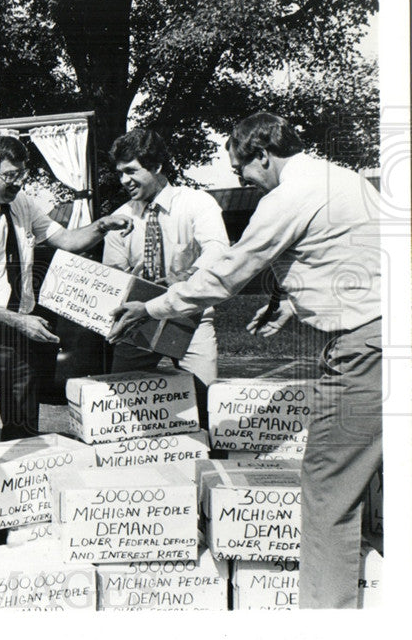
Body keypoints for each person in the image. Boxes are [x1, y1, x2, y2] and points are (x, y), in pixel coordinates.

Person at [108, 112, 382, 609]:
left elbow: (229, 271)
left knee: (327, 490)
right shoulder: (342, 177)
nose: (246, 182)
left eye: (244, 171)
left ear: (263, 154)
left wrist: (151, 307)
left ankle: (325, 619)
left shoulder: (287, 195)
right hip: (386, 332)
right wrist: (290, 299)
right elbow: (345, 255)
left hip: (363, 349)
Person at [0, 135, 131, 561]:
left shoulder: (23, 205)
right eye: (8, 176)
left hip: (20, 339)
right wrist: (18, 320)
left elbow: (67, 240)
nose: (17, 182)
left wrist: (102, 225)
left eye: (21, 174)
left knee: (24, 439)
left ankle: (19, 542)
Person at [103, 129, 230, 430]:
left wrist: (184, 275)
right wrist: (125, 280)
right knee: (121, 406)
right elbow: (112, 275)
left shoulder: (198, 202)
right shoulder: (120, 217)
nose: (124, 181)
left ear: (157, 166)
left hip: (189, 317)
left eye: (131, 171)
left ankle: (210, 468)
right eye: (120, 173)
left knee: (207, 406)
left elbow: (219, 249)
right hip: (136, 322)